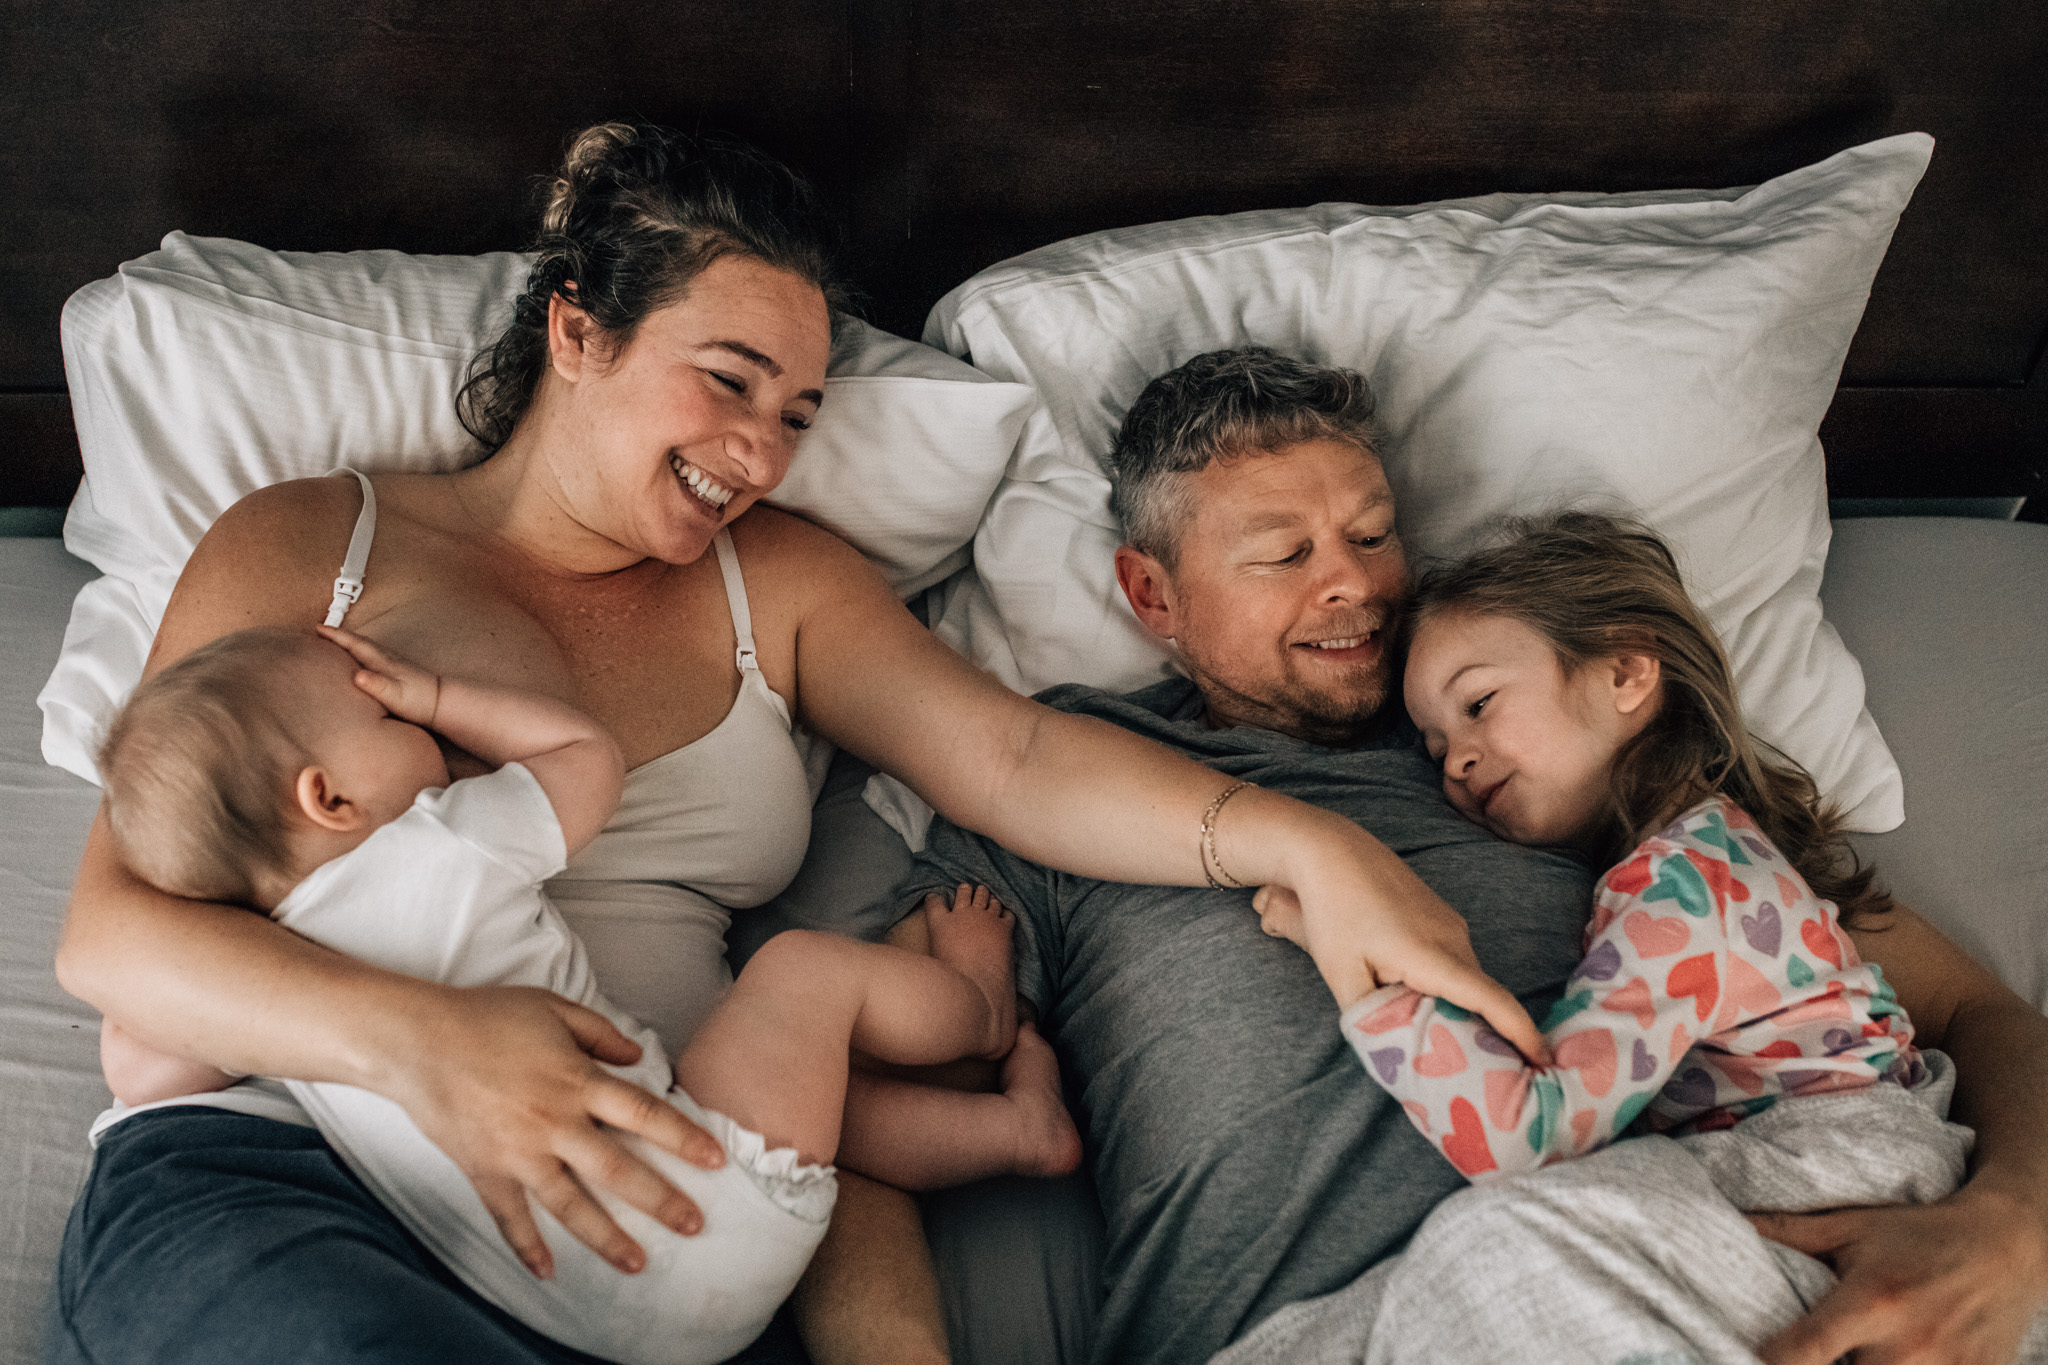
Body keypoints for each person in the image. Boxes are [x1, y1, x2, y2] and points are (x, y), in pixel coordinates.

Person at [45, 128, 1533, 1365]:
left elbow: (1010, 762)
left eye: (802, 412)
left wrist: (1308, 843)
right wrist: (432, 1051)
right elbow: (117, 929)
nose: (760, 448)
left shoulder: (785, 584)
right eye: (730, 379)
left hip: (666, 1221)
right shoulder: (324, 541)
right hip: (311, 1152)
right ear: (580, 330)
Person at [880, 348, 2048, 1365]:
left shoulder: (1539, 746)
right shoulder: (1057, 787)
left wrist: (2013, 1227)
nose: (1353, 582)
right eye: (1282, 552)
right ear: (1153, 594)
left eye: (1374, 534)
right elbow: (870, 1119)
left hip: (1642, 1266)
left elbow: (1965, 1010)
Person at [93, 620, 1080, 1365]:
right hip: (696, 1206)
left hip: (578, 1310)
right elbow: (582, 760)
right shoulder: (443, 840)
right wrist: (438, 694)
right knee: (803, 976)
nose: (403, 719)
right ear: (330, 799)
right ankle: (980, 1012)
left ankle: (1016, 1137)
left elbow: (138, 1061)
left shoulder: (257, 974)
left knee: (826, 1117)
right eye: (380, 715)